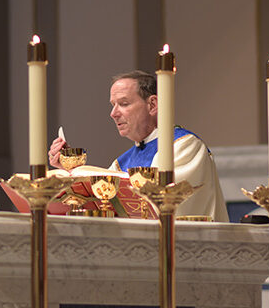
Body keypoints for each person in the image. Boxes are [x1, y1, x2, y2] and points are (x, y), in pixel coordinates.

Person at [48, 70, 229, 221]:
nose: (113, 113)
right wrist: (71, 173)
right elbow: (100, 205)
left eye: (124, 104)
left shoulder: (184, 146)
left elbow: (164, 208)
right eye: (113, 105)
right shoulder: (122, 161)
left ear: (152, 105)